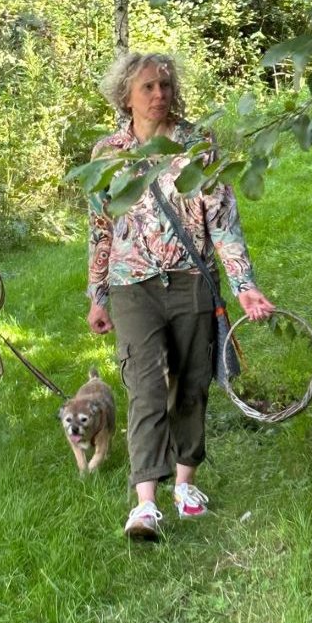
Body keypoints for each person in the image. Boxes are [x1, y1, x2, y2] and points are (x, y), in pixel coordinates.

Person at [86, 53, 274, 541]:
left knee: (191, 384)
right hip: (132, 287)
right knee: (144, 387)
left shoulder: (197, 145)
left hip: (192, 277)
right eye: (147, 87)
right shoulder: (107, 153)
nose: (159, 94)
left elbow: (224, 221)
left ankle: (185, 484)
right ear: (126, 95)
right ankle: (145, 503)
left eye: (165, 85)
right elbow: (101, 229)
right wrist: (98, 295)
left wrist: (245, 286)